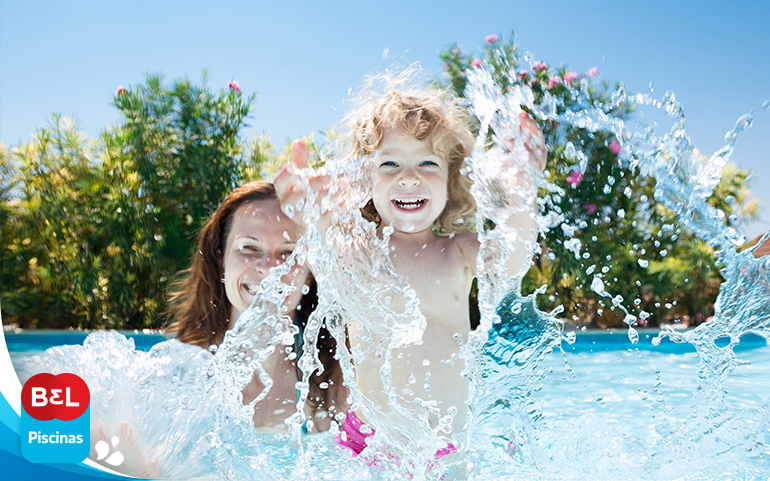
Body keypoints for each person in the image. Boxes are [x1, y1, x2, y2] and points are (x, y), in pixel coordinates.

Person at [275, 85, 546, 454]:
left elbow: (512, 262)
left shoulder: (459, 252)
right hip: (368, 439)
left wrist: (521, 195)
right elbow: (317, 240)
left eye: (427, 163)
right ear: (363, 179)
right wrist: (301, 204)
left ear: (451, 179)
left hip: (442, 446)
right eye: (389, 163)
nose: (409, 177)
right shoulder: (359, 250)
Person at [166, 180, 345, 432]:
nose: (269, 268)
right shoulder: (182, 373)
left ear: (310, 271)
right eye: (249, 247)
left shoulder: (335, 380)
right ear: (221, 261)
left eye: (288, 252)